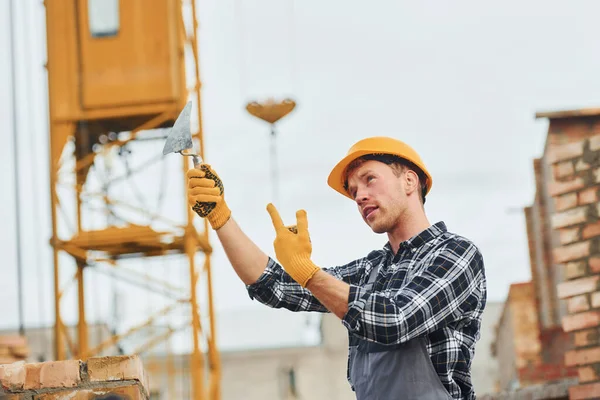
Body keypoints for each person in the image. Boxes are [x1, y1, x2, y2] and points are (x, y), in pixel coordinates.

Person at [186, 136, 487, 400]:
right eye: (353, 190)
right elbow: (275, 286)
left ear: (410, 181)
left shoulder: (456, 253)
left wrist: (309, 273)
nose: (359, 196)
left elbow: (395, 320)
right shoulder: (371, 270)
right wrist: (220, 216)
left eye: (369, 179)